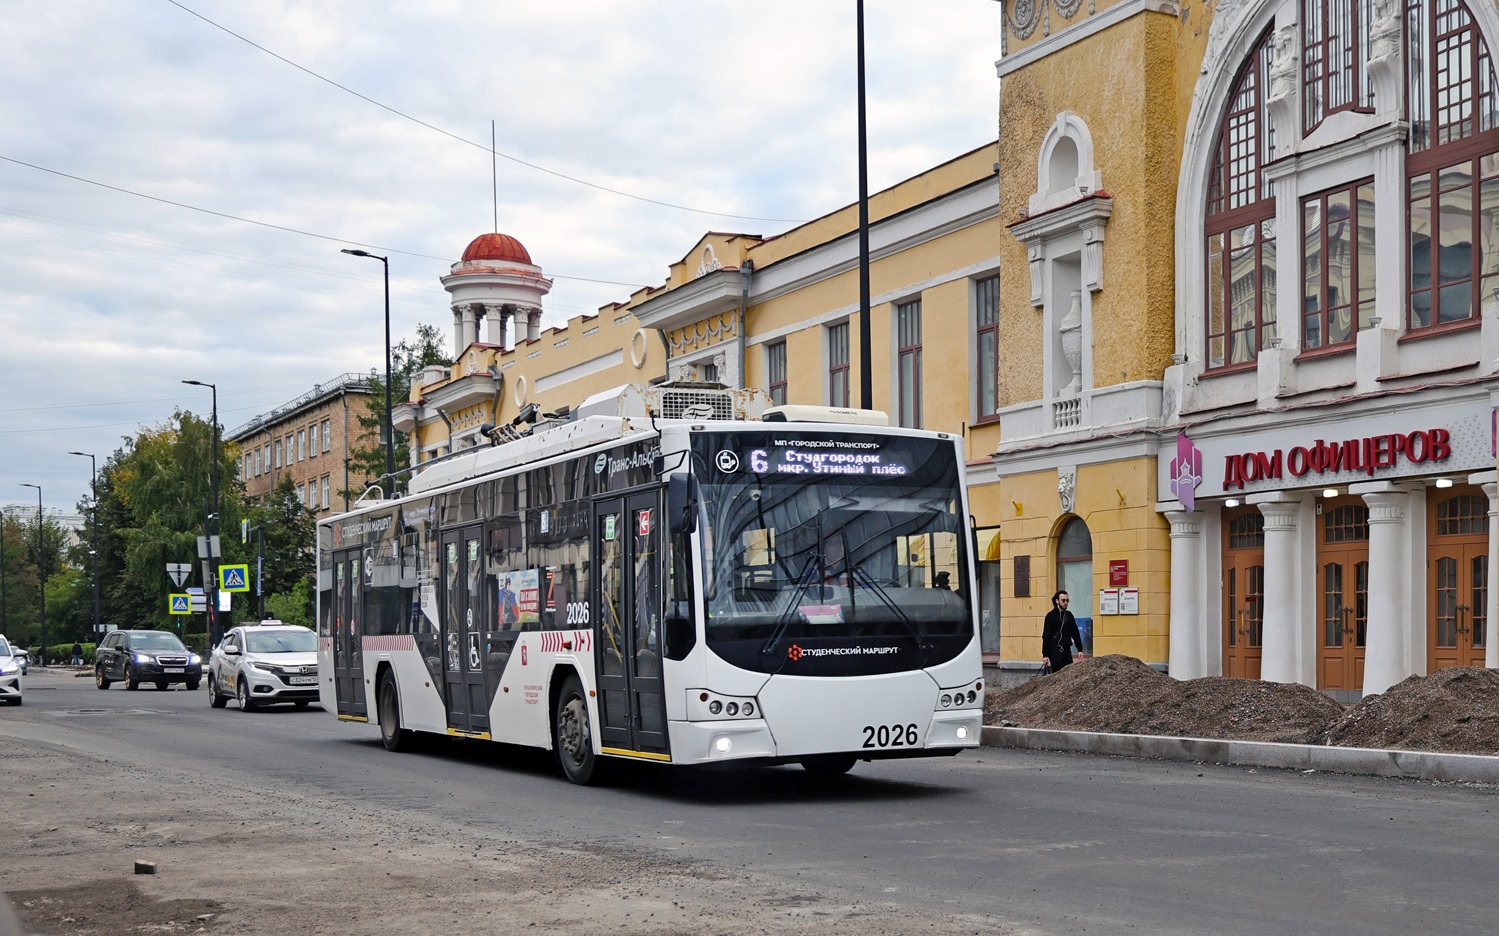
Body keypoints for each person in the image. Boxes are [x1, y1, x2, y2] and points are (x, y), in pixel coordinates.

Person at [1042, 589, 1085, 672]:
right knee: (1057, 674)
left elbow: (1075, 633)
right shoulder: (1051, 616)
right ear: (1057, 601)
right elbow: (1046, 636)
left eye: (1067, 600)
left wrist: (1079, 649)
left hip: (1066, 649)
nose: (1066, 603)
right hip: (1055, 650)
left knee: (1068, 674)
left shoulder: (1069, 615)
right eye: (1063, 600)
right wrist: (1045, 655)